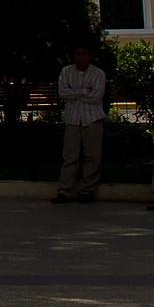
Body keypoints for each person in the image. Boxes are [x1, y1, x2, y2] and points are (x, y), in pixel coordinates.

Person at [54, 44, 107, 204]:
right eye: (78, 54)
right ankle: (65, 190)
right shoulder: (66, 72)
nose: (80, 57)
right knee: (70, 156)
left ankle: (87, 190)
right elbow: (63, 93)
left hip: (92, 119)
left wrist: (75, 92)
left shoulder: (98, 73)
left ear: (90, 56)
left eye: (84, 54)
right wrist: (85, 91)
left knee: (92, 157)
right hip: (72, 119)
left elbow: (96, 96)